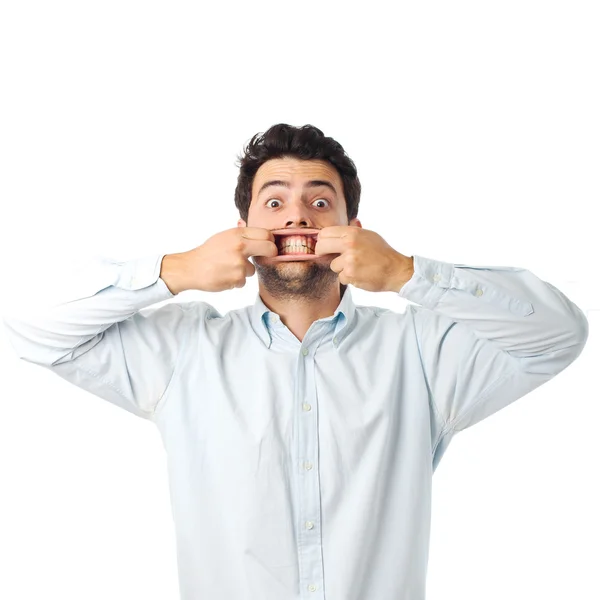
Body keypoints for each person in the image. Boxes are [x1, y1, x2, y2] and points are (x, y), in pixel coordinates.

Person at [2, 123, 589, 600]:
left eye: (319, 202)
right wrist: (175, 271)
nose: (297, 216)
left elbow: (559, 333)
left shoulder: (421, 355)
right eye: (275, 201)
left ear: (352, 231)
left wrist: (409, 273)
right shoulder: (183, 352)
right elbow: (28, 325)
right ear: (245, 230)